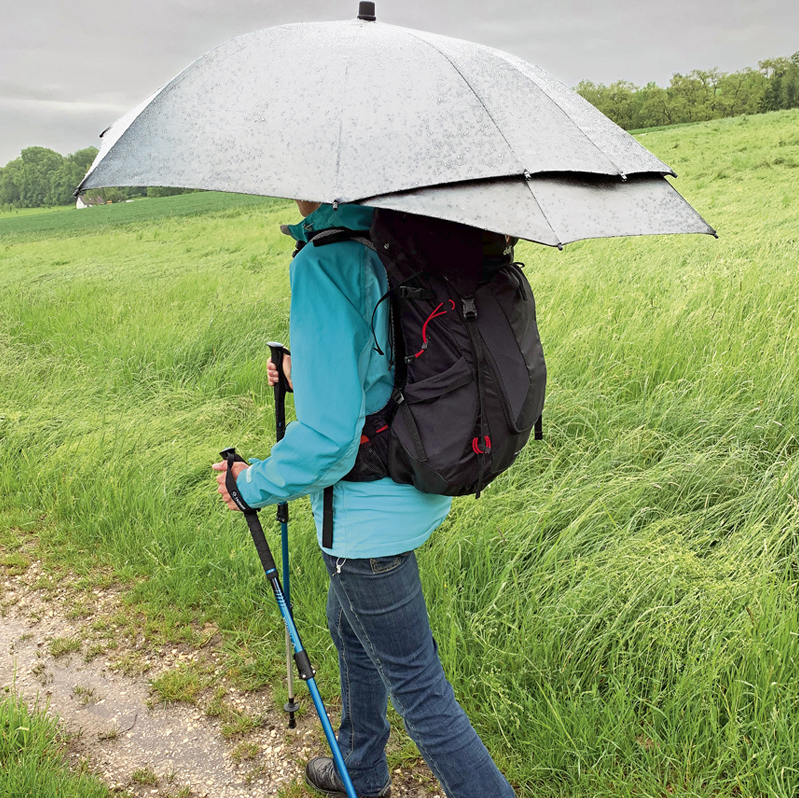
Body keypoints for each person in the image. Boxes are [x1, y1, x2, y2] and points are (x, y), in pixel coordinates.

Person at [213, 200, 516, 798]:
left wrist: (251, 485)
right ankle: (360, 762)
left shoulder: (329, 259)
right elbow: (393, 366)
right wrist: (312, 373)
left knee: (420, 690)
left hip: (365, 515)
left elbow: (328, 443)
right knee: (347, 621)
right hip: (419, 478)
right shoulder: (400, 239)